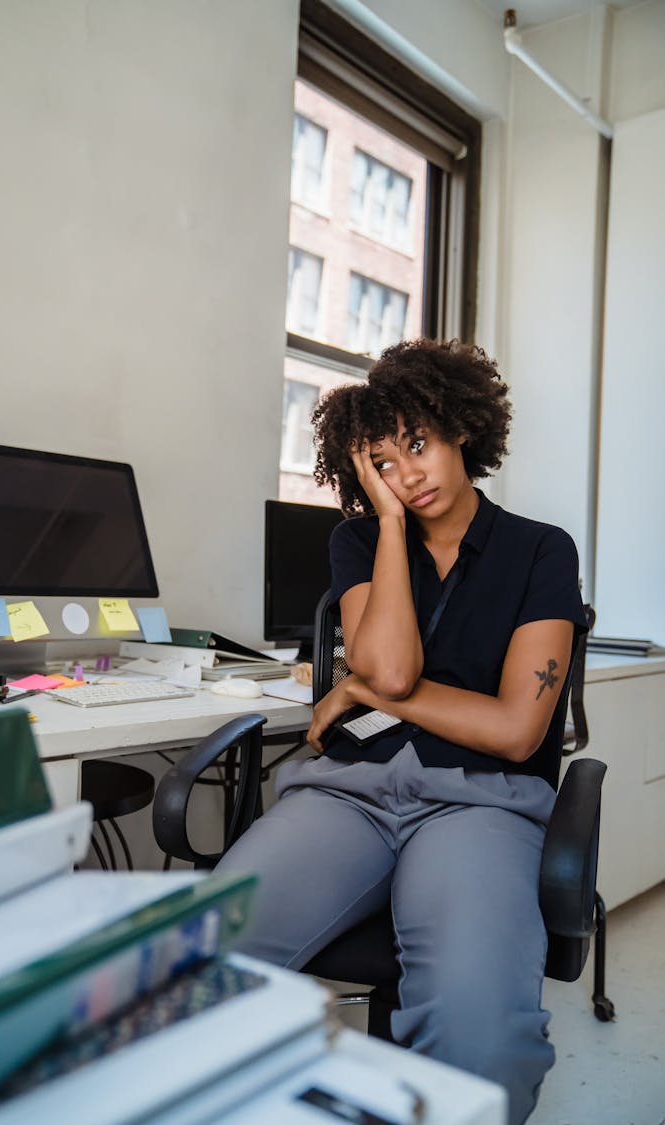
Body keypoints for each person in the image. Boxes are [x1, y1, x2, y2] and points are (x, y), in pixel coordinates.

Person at [215, 338, 588, 1125]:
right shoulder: (358, 541)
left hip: (480, 804)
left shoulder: (540, 551)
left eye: (418, 444)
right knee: (198, 960)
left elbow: (519, 730)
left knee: (480, 1042)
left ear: (461, 429)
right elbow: (389, 670)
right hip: (349, 793)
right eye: (381, 462)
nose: (407, 473)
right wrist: (386, 524)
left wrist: (357, 684)